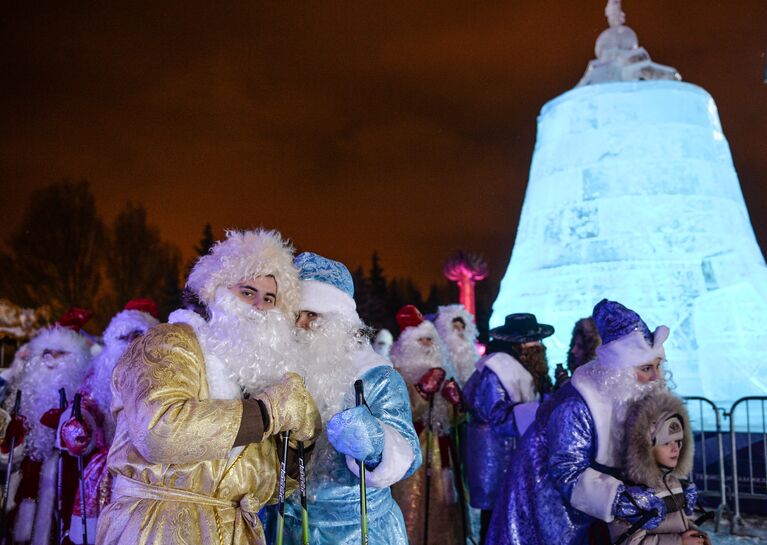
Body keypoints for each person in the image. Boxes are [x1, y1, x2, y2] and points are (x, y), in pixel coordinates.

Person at [96, 229, 322, 545]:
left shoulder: (251, 378)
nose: (259, 306)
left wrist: (298, 443)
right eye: (247, 292)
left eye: (270, 298)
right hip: (156, 527)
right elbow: (160, 432)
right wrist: (267, 412)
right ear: (214, 290)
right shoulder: (168, 344)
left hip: (232, 530)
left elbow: (266, 488)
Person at [486, 299, 671, 545]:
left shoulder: (628, 394)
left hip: (587, 509)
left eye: (658, 366)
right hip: (548, 503)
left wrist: (671, 488)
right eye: (646, 368)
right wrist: (619, 499)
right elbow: (567, 470)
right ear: (620, 371)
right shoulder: (577, 406)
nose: (655, 377)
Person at [278, 252, 421, 544]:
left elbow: (409, 453)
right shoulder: (278, 372)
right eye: (297, 314)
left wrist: (375, 442)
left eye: (313, 315)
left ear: (340, 320)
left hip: (358, 529)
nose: (302, 324)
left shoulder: (375, 375)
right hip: (287, 526)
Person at [56, 298, 160, 543]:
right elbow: (86, 404)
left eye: (138, 336)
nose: (131, 344)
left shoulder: (163, 373)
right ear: (113, 340)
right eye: (125, 337)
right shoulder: (100, 371)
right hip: (106, 469)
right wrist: (79, 425)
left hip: (150, 470)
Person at [462, 313, 554, 544]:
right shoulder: (497, 371)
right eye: (534, 341)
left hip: (513, 456)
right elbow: (496, 415)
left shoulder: (522, 368)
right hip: (498, 459)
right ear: (519, 345)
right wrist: (543, 409)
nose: (539, 347)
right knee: (496, 520)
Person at [7, 308, 93, 545]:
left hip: (68, 477)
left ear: (76, 358)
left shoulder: (85, 391)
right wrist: (12, 439)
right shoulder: (26, 395)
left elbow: (92, 436)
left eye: (60, 354)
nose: (51, 360)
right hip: (30, 475)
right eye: (47, 353)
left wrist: (71, 425)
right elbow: (9, 458)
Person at [390, 305, 462, 545]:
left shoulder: (444, 373)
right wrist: (421, 390)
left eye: (431, 341)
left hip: (442, 455)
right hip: (413, 453)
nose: (428, 347)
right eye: (421, 341)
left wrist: (456, 404)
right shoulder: (397, 372)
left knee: (443, 507)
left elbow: (453, 420)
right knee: (412, 506)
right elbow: (400, 411)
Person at [609, 391, 709, 545]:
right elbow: (629, 542)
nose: (675, 449)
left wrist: (696, 535)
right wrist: (678, 542)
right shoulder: (632, 494)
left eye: (678, 441)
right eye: (666, 443)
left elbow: (679, 524)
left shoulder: (674, 483)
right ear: (646, 447)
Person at [433, 304, 479, 385]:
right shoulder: (442, 351)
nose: (459, 331)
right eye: (455, 327)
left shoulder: (470, 348)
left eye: (461, 328)